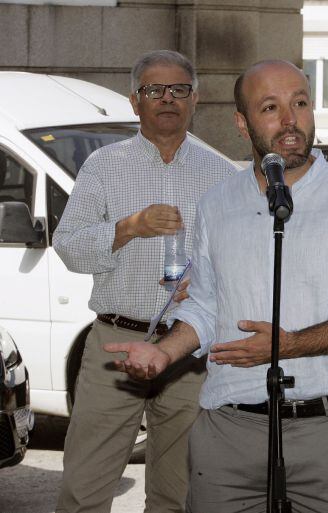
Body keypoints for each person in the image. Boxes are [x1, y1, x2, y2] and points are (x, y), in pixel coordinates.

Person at [102, 60, 328, 513]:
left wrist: (288, 346)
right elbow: (206, 306)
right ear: (242, 124)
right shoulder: (217, 203)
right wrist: (164, 352)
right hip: (229, 436)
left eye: (300, 103)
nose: (291, 120)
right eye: (271, 107)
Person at [52, 50, 236, 513]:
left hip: (188, 349)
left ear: (196, 99)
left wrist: (210, 281)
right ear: (135, 102)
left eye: (178, 90)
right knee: (84, 489)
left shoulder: (221, 174)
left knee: (177, 494)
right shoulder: (103, 166)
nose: (167, 99)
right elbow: (68, 246)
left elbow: (237, 260)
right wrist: (128, 226)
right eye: (155, 90)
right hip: (115, 344)